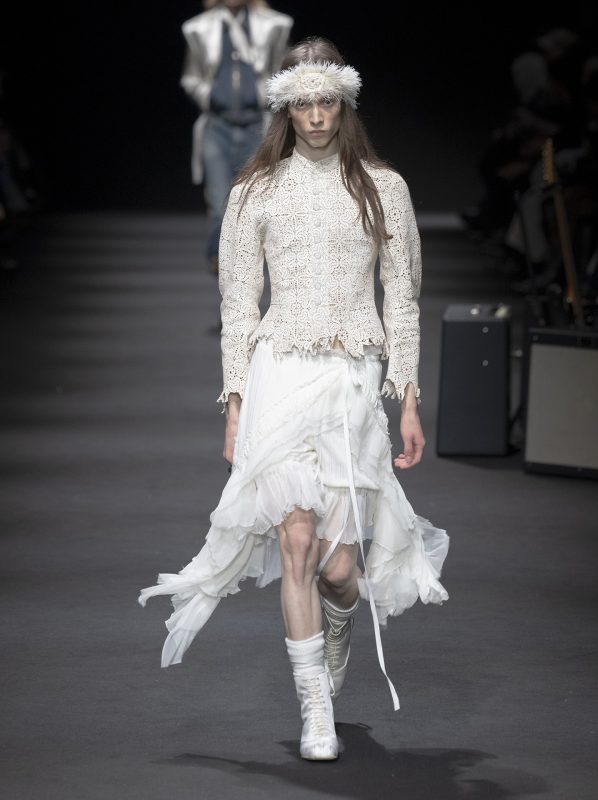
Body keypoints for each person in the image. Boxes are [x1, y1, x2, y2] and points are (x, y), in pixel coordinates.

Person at [139, 36, 449, 762]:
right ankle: (315, 708)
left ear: (345, 103)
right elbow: (240, 303)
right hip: (280, 372)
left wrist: (408, 399)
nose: (315, 116)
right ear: (288, 107)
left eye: (327, 102)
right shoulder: (256, 191)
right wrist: (236, 401)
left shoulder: (385, 187)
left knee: (342, 570)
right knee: (296, 539)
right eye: (303, 103)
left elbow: (402, 301)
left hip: (349, 383)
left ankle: (339, 623)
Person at [180, 0, 294, 273]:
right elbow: (191, 77)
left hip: (256, 125)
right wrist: (210, 96)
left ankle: (240, 271)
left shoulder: (275, 26)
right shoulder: (198, 29)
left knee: (252, 205)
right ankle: (223, 266)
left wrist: (261, 96)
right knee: (221, 204)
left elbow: (284, 71)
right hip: (216, 127)